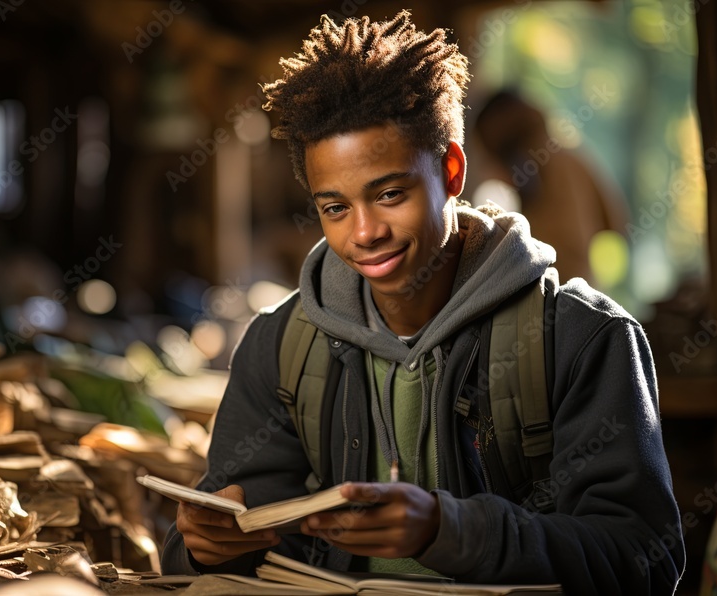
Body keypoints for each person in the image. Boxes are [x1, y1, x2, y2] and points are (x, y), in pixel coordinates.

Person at [160, 11, 685, 594]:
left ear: (452, 170)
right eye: (334, 207)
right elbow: (224, 532)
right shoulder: (279, 346)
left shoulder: (584, 340)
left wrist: (449, 530)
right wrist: (203, 548)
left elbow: (646, 559)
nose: (364, 233)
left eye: (389, 194)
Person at [473, 89, 629, 285]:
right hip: (581, 290)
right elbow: (616, 223)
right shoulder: (574, 159)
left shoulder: (523, 172)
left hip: (544, 291)